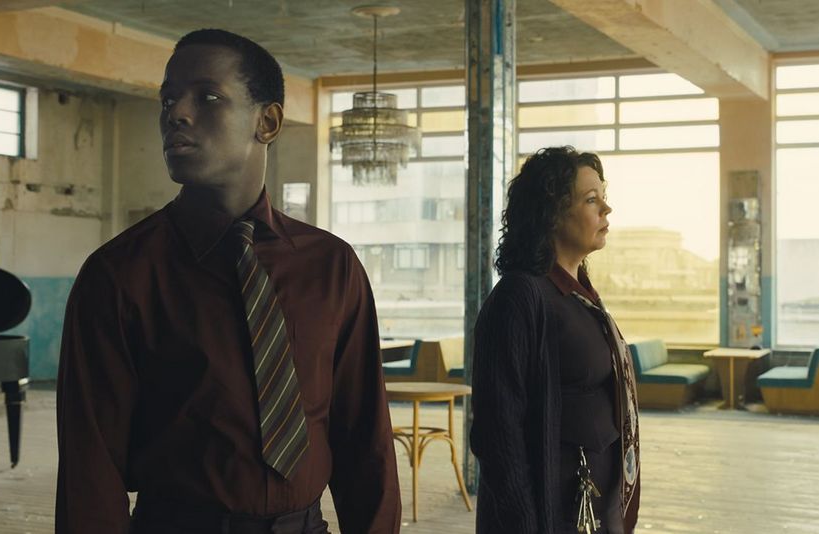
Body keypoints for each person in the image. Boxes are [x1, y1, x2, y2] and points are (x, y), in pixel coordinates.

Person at [55, 29, 400, 534]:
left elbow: (364, 439)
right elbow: (91, 470)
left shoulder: (330, 266)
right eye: (168, 99)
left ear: (268, 121)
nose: (176, 113)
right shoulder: (119, 276)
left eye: (208, 96)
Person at [470, 146, 640, 533]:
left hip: (592, 506)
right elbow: (498, 434)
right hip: (549, 515)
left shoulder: (579, 291)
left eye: (604, 197)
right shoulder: (519, 297)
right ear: (551, 213)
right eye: (591, 199)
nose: (606, 210)